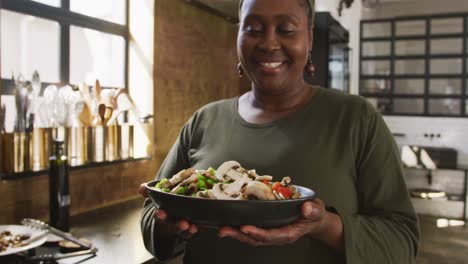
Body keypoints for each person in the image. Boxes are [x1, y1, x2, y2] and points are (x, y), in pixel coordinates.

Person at [140, 0, 420, 263]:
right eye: (253, 30)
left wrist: (322, 225)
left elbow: (402, 242)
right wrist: (169, 224)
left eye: (286, 29)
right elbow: (152, 219)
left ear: (309, 38)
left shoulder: (357, 119)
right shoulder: (203, 121)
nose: (269, 43)